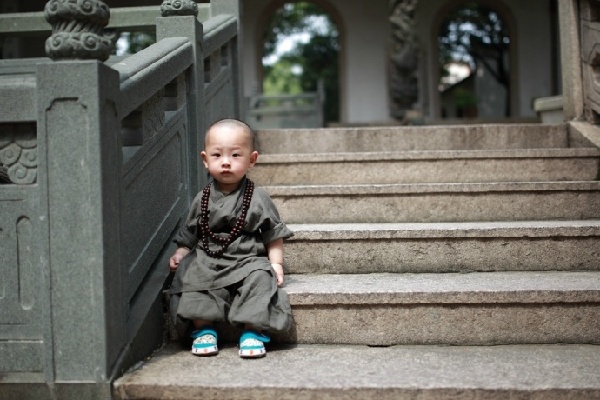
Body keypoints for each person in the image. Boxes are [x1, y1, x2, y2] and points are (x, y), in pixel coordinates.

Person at [168, 118, 294, 359]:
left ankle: (252, 331)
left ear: (252, 160)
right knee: (191, 274)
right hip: (209, 256)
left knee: (260, 278)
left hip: (247, 258)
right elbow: (191, 233)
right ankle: (204, 328)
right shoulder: (202, 198)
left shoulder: (257, 197)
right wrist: (181, 253)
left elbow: (272, 234)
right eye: (217, 155)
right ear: (205, 160)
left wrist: (276, 263)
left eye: (236, 155)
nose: (226, 162)